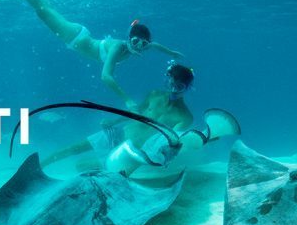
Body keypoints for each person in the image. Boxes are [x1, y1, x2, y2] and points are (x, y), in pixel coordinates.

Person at [0, 0, 184, 110]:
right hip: (76, 38)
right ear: (129, 38)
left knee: (45, 7)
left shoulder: (145, 46)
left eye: (143, 44)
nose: (139, 46)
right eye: (135, 41)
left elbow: (156, 46)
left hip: (82, 36)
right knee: (41, 9)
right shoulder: (118, 48)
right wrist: (126, 100)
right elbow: (106, 76)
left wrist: (171, 51)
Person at [41, 61, 195, 168]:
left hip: (131, 152)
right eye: (171, 83)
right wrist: (114, 122)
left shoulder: (185, 117)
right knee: (73, 148)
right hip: (120, 133)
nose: (173, 89)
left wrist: (169, 154)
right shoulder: (154, 95)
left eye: (179, 86)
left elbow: (174, 142)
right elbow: (136, 112)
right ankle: (40, 165)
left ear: (187, 88)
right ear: (167, 81)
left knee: (81, 166)